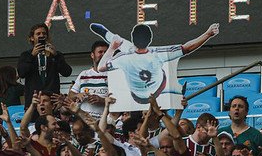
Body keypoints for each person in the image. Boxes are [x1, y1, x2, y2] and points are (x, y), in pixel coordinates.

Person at [92, 22, 220, 105]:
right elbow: (187, 48)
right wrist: (208, 34)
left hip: (136, 95)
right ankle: (108, 35)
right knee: (161, 69)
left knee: (124, 45)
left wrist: (112, 47)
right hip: (157, 90)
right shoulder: (158, 53)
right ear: (150, 40)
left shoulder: (123, 57)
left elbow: (100, 67)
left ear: (132, 37)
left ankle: (107, 35)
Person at [17, 24, 72, 108]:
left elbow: (67, 72)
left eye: (44, 33)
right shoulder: (26, 55)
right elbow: (21, 73)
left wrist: (56, 56)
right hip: (34, 100)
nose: (42, 35)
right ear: (32, 38)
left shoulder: (55, 54)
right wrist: (32, 56)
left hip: (52, 100)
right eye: (38, 34)